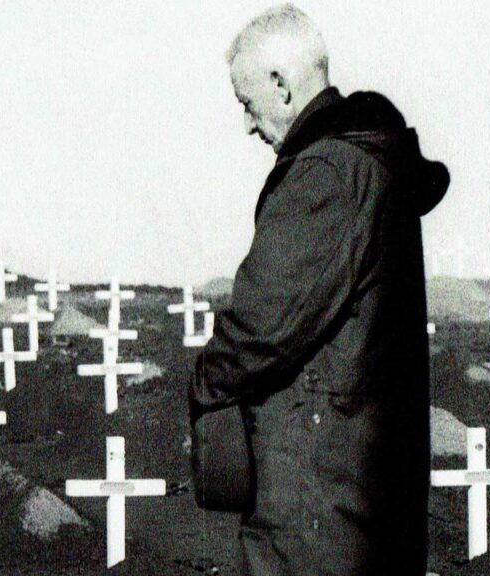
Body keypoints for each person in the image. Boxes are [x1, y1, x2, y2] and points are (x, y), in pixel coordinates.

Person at [188, 4, 449, 575]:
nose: (249, 126)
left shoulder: (326, 175)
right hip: (361, 508)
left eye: (247, 104)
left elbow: (260, 326)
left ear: (280, 86)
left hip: (316, 515)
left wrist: (204, 384)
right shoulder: (369, 163)